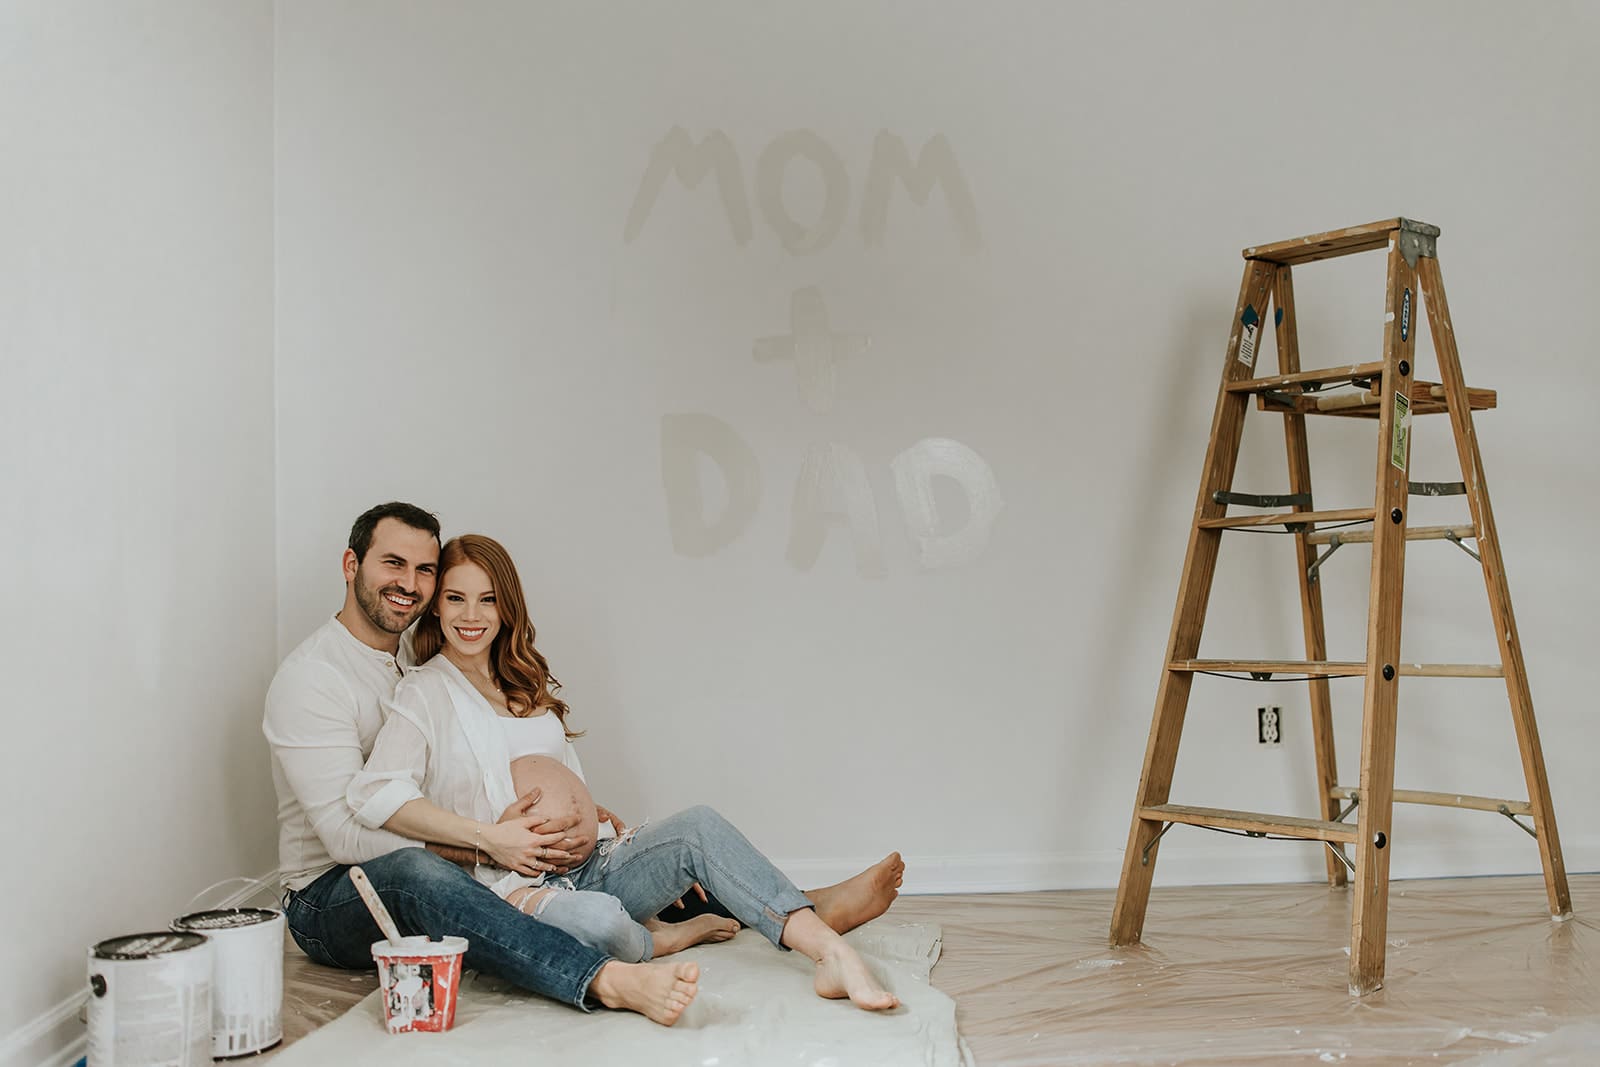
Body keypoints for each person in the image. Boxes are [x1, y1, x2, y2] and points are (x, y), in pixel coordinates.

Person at [348, 533, 902, 1011]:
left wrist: (590, 811)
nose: (472, 616)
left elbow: (557, 773)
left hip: (595, 862)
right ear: (437, 607)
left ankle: (832, 953)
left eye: (488, 600)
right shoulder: (425, 691)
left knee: (699, 826)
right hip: (517, 889)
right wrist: (485, 838)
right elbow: (377, 794)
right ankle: (662, 938)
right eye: (456, 599)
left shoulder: (523, 680)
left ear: (507, 607)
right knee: (603, 925)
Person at [264, 503, 699, 1024]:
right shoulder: (313, 679)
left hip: (434, 865)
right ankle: (603, 978)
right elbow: (344, 839)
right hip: (330, 899)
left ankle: (751, 905)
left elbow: (457, 774)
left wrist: (576, 811)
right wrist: (484, 844)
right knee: (417, 871)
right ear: (351, 565)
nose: (409, 582)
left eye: (424, 569)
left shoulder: (418, 659)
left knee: (603, 851)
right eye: (392, 563)